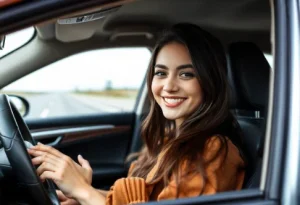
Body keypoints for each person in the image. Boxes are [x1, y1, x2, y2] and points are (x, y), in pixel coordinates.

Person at [28, 23, 246, 205]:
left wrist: (85, 192)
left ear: (211, 82)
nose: (168, 86)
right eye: (161, 73)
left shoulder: (215, 150)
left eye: (186, 74)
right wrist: (83, 193)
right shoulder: (170, 139)